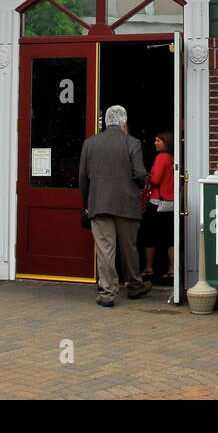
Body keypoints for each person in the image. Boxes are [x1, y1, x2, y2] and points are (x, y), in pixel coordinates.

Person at [78, 105, 151, 307]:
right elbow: (139, 174)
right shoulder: (132, 143)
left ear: (105, 122)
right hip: (126, 204)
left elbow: (83, 178)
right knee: (129, 248)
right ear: (123, 124)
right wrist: (143, 183)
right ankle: (134, 285)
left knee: (105, 249)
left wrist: (86, 202)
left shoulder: (90, 143)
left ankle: (108, 291)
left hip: (99, 203)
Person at [143, 131, 175, 281]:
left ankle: (149, 268)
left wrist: (146, 176)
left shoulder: (161, 157)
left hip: (157, 202)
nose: (155, 143)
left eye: (158, 141)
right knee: (169, 237)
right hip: (170, 202)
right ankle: (172, 269)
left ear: (166, 142)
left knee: (149, 236)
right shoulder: (171, 157)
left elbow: (155, 179)